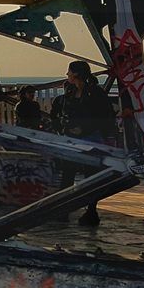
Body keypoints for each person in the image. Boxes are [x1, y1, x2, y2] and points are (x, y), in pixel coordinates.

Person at [58, 60, 118, 227]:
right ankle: (63, 209)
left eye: (69, 71)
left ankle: (91, 211)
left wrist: (84, 128)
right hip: (72, 138)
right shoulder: (70, 92)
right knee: (67, 175)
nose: (67, 74)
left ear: (76, 74)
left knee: (90, 177)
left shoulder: (95, 93)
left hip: (91, 138)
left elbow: (104, 116)